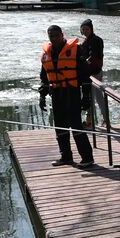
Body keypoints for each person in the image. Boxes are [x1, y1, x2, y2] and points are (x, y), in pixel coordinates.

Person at [39, 24, 94, 167]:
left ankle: (87, 158)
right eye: (51, 36)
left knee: (76, 125)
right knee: (60, 126)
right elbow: (44, 77)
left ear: (62, 35)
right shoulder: (47, 53)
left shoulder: (76, 50)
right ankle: (66, 156)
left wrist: (86, 96)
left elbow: (85, 75)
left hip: (72, 92)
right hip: (57, 93)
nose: (54, 38)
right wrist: (42, 96)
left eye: (57, 35)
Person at [77, 18, 109, 129]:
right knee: (89, 96)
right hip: (88, 73)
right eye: (83, 29)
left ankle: (104, 119)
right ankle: (90, 120)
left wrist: (85, 63)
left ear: (91, 29)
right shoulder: (85, 41)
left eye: (87, 29)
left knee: (97, 97)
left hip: (95, 73)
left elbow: (95, 55)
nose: (85, 31)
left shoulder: (96, 40)